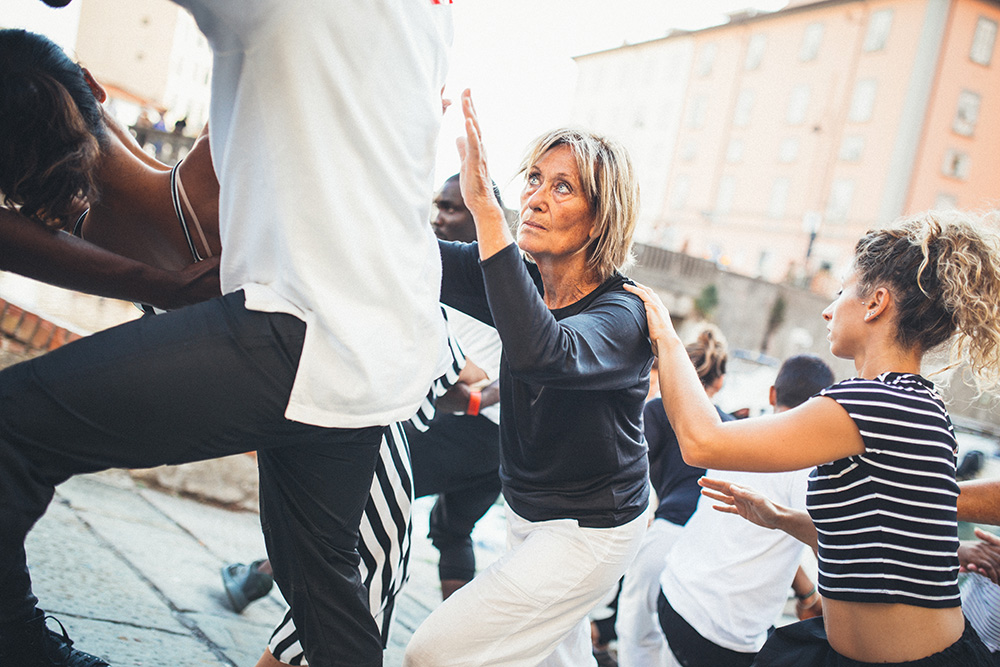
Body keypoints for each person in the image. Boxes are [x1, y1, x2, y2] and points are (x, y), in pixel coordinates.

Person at [0, 2, 452, 665]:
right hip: (372, 353)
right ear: (94, 88)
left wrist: (161, 287)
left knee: (10, 426)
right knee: (325, 583)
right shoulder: (412, 30)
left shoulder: (281, 33)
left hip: (298, 335)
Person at [627, 209, 1000, 665]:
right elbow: (869, 540)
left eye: (842, 291)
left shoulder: (875, 403)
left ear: (875, 303)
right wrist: (780, 518)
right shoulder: (919, 401)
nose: (828, 308)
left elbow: (703, 442)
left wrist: (666, 336)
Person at [404, 91, 652, 667]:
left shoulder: (624, 314)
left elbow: (545, 354)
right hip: (529, 512)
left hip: (591, 530)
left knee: (432, 653)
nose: (535, 198)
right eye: (535, 179)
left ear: (601, 218)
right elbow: (409, 257)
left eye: (562, 187)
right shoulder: (524, 280)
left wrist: (488, 213)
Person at [651, 354, 834, 667]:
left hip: (673, 597)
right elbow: (828, 540)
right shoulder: (809, 463)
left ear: (773, 394)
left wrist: (806, 595)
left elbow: (763, 538)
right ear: (821, 410)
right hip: (724, 637)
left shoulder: (733, 432)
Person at [615, 325, 735, 666]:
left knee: (636, 630)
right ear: (719, 382)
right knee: (679, 639)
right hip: (711, 543)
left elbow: (629, 465)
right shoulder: (729, 425)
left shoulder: (658, 410)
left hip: (669, 532)